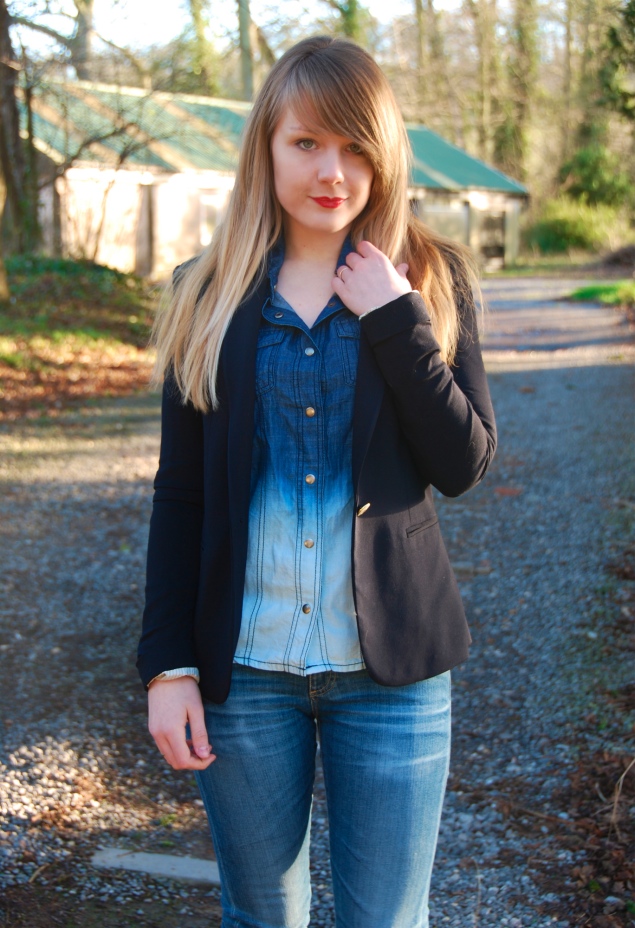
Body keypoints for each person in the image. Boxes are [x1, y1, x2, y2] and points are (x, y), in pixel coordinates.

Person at [137, 35, 496, 928]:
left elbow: (461, 465)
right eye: (306, 143)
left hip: (394, 680)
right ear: (266, 145)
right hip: (246, 674)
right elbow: (179, 494)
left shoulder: (431, 280)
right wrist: (165, 667)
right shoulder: (207, 293)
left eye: (353, 146)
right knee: (262, 916)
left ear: (383, 153)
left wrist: (395, 319)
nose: (331, 170)